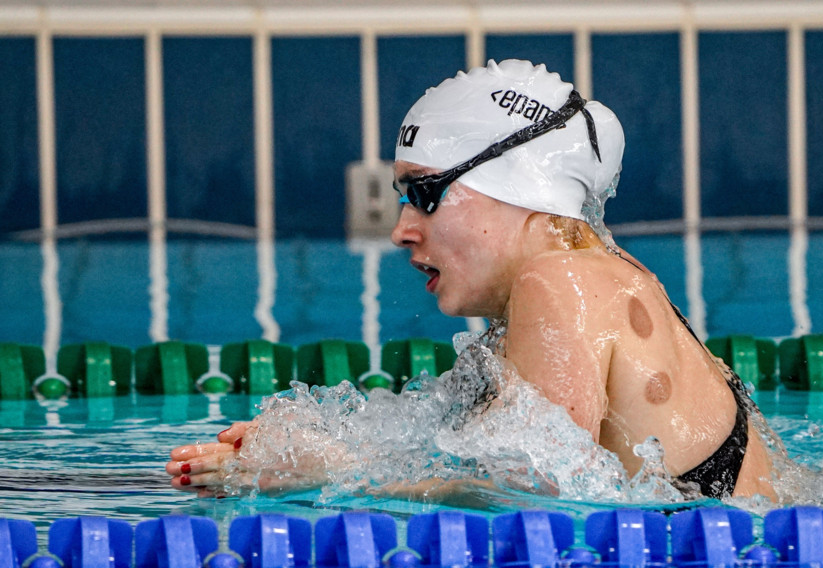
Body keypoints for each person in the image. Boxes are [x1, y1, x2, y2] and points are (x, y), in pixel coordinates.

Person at [167, 59, 776, 501]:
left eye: (425, 193)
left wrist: (327, 472)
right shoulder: (602, 279)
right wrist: (295, 450)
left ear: (517, 187)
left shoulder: (558, 282)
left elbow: (539, 493)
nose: (402, 228)